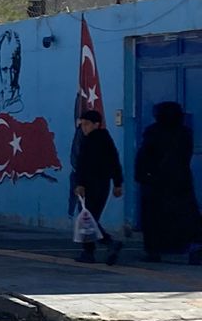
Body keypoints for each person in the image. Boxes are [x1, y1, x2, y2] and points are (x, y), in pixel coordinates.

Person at [135, 100, 200, 263]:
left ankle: (154, 251)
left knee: (153, 219)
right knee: (186, 217)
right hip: (180, 182)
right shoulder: (185, 133)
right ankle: (192, 249)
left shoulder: (153, 132)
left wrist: (143, 175)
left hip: (156, 183)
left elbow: (144, 156)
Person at [70, 108, 124, 265]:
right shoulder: (105, 140)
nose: (84, 128)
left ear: (96, 124)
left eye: (87, 124)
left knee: (88, 218)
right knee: (90, 218)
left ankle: (106, 244)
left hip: (91, 185)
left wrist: (80, 184)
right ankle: (90, 250)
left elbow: (82, 165)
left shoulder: (90, 142)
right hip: (103, 184)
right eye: (82, 124)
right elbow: (115, 162)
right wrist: (117, 183)